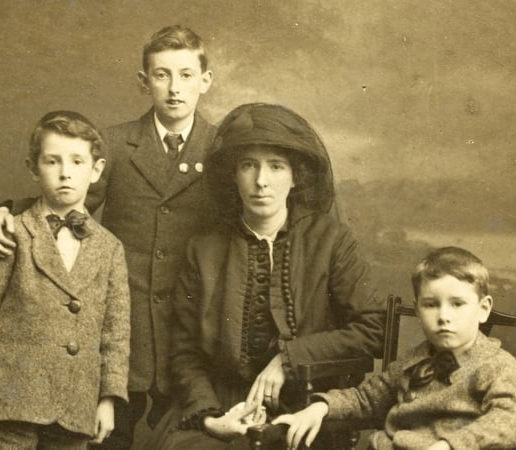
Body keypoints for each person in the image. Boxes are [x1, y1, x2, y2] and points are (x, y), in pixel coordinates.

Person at [0, 25, 217, 449]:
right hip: (120, 334)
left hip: (192, 332)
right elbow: (64, 205)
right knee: (104, 439)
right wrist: (6, 209)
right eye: (161, 75)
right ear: (144, 82)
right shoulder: (114, 144)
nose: (174, 89)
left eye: (185, 74)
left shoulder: (222, 151)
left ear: (206, 80)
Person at [149, 103, 386, 450]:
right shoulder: (204, 249)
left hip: (305, 404)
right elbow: (184, 352)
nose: (261, 181)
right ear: (234, 175)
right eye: (249, 166)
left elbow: (372, 327)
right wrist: (211, 417)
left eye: (276, 166)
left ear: (295, 177)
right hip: (223, 403)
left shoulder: (330, 238)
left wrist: (288, 359)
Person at [0, 111, 130, 449]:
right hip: (10, 399)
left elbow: (115, 332)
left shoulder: (110, 247)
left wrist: (107, 399)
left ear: (96, 170)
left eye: (77, 161)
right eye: (52, 161)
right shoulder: (11, 232)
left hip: (75, 403)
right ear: (33, 168)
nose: (65, 172)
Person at [273, 246, 516, 450]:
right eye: (431, 305)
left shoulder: (497, 365)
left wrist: (451, 445)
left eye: (457, 304)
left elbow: (509, 421)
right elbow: (367, 398)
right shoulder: (414, 360)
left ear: (483, 309)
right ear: (417, 310)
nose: (443, 316)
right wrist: (322, 407)